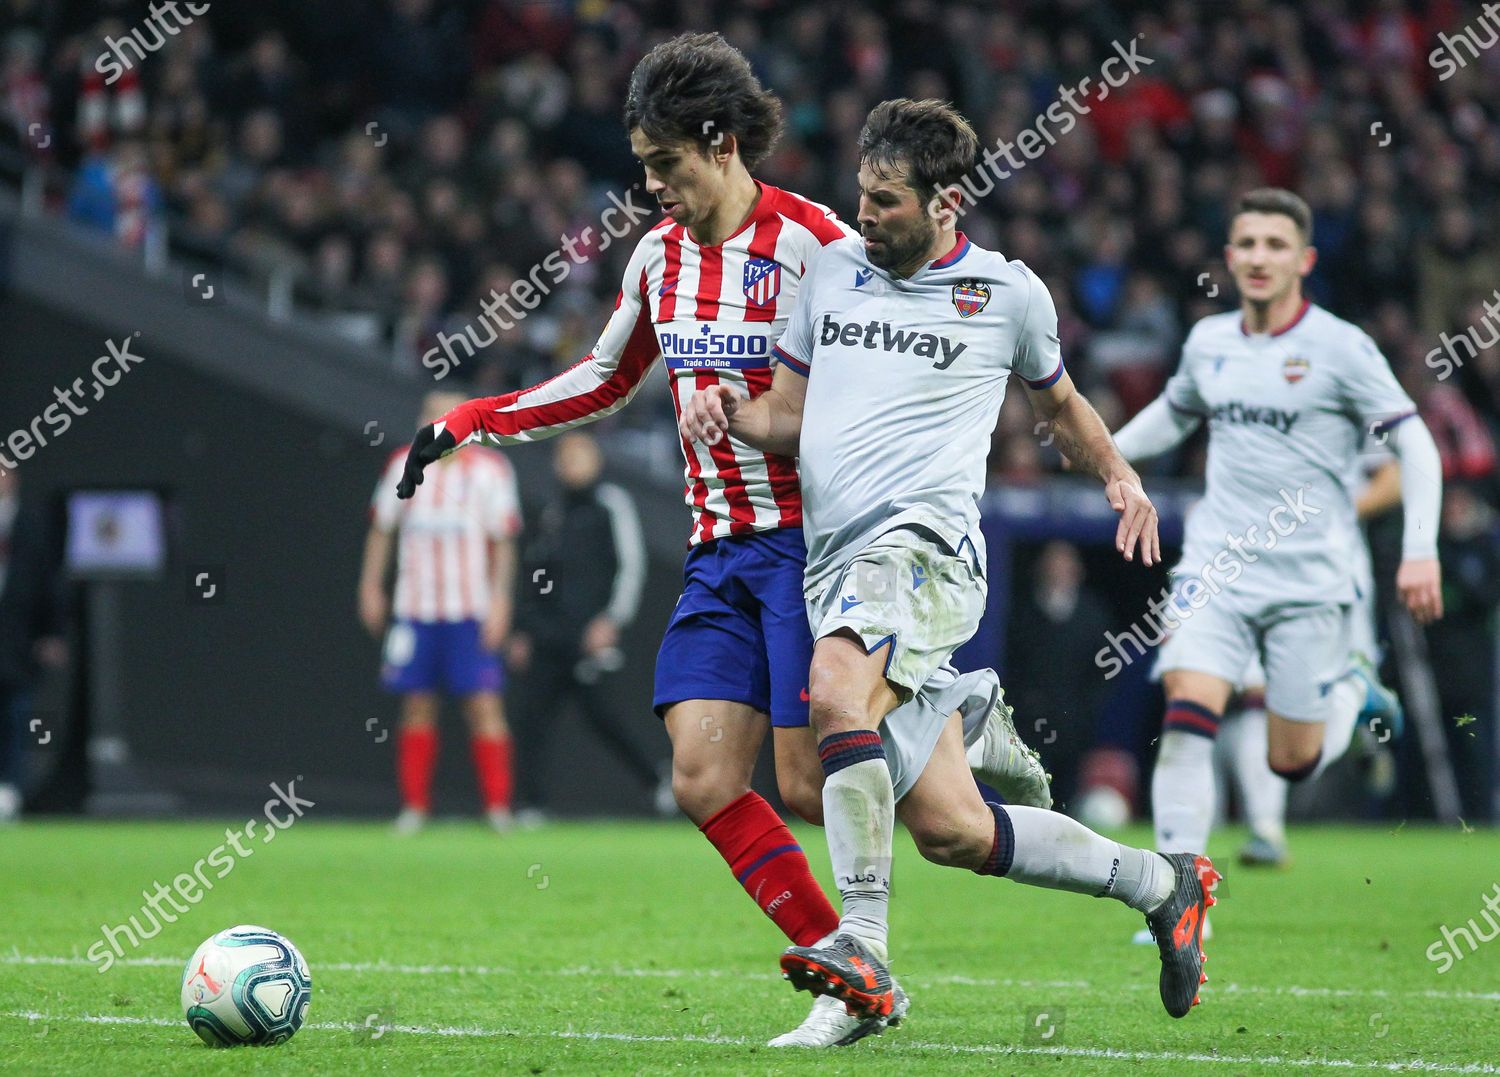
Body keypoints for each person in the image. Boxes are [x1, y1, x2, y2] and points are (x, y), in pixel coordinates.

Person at [394, 34, 1049, 1048]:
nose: (652, 186)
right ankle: (858, 979)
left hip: (810, 547)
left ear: (720, 142)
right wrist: (478, 417)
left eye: (666, 164)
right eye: (644, 167)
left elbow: (895, 378)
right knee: (701, 779)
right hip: (718, 551)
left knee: (804, 781)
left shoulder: (819, 248)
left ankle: (947, 712)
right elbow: (607, 379)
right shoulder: (658, 258)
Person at [682, 98, 1219, 1023]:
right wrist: (730, 408)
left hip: (926, 548)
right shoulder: (835, 272)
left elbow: (1061, 407)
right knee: (952, 829)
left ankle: (864, 944)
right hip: (835, 560)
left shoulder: (1006, 292)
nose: (863, 215)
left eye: (885, 201)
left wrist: (1121, 475)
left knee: (835, 690)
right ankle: (1161, 883)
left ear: (947, 202)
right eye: (860, 194)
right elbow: (788, 415)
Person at [1110, 187, 1445, 866]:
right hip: (1217, 564)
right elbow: (1176, 415)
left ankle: (1355, 687)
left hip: (1308, 576)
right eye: (1249, 245)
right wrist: (1105, 450)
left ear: (1304, 260)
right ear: (1230, 257)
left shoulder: (1342, 348)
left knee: (1291, 759)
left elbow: (1416, 447)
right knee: (1187, 710)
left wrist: (1420, 551)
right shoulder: (1209, 341)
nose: (1260, 258)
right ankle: (1180, 898)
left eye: (1276, 246)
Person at [361, 389, 521, 833]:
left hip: (470, 607)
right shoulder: (401, 465)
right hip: (416, 609)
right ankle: (413, 808)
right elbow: (382, 530)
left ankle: (498, 808)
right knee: (416, 704)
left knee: (484, 705)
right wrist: (371, 586)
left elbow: (503, 543)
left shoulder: (490, 471)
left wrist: (502, 602)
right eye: (431, 413)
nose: (438, 422)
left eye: (447, 414)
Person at [507, 432, 671, 821]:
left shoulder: (610, 504)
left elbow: (631, 564)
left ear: (596, 461)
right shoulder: (552, 511)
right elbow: (535, 572)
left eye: (579, 457)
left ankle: (656, 782)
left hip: (589, 634)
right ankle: (531, 805)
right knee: (531, 718)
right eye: (565, 458)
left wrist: (610, 620)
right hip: (548, 634)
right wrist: (523, 628)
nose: (571, 465)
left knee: (605, 718)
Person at [0, 469, 67, 823]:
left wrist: (52, 633)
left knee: (16, 715)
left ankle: (10, 789)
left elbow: (48, 581)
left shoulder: (32, 525)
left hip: (17, 642)